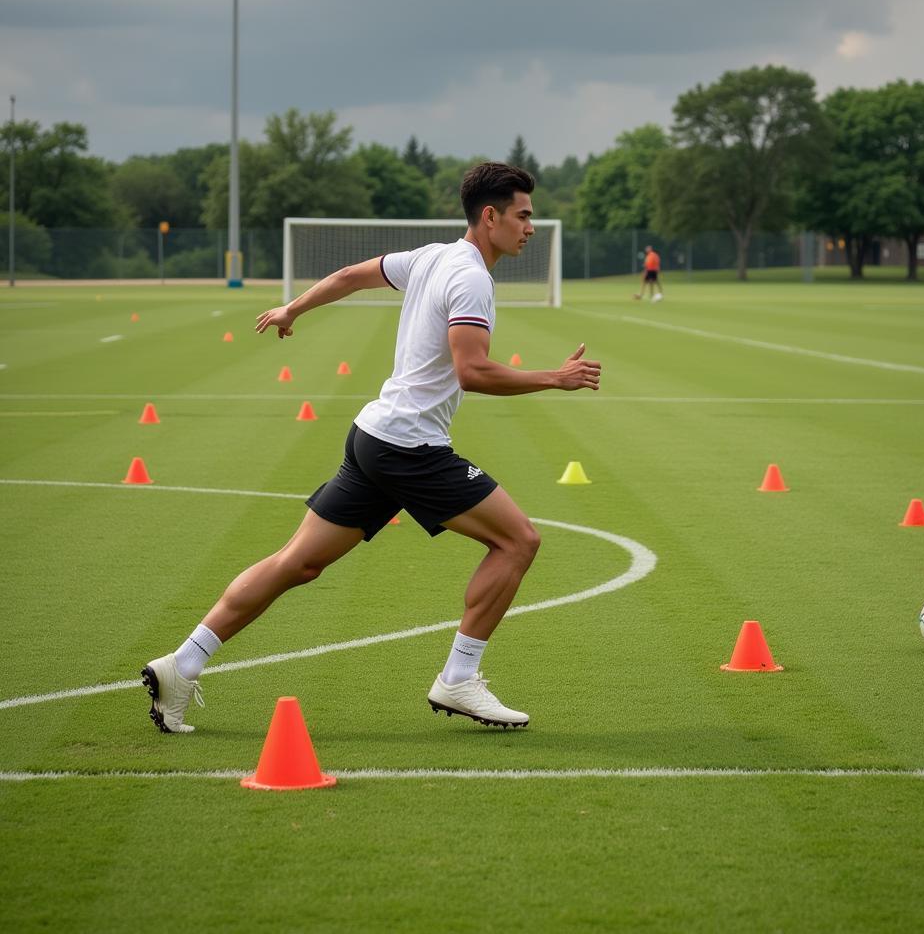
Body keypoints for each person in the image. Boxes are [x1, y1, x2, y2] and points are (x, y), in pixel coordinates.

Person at [142, 162, 601, 733]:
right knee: (518, 541)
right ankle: (460, 678)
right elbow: (473, 371)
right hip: (410, 447)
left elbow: (351, 276)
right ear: (491, 216)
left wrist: (293, 308)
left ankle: (180, 666)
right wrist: (555, 379)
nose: (531, 227)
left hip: (374, 437)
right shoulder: (472, 277)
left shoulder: (432, 256)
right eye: (524, 215)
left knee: (297, 563)